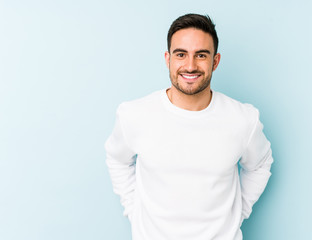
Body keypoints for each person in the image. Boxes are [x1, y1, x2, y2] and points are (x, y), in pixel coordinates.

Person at [105, 13, 273, 240]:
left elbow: (261, 165)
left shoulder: (243, 119)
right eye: (181, 54)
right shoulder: (134, 115)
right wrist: (133, 209)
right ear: (168, 59)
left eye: (201, 55)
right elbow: (117, 158)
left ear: (215, 61)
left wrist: (238, 211)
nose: (190, 66)